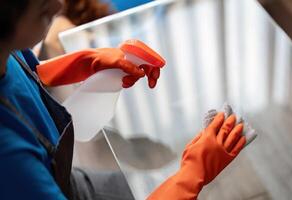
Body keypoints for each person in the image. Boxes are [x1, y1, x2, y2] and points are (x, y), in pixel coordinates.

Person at [0, 0, 247, 200]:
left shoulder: (5, 50)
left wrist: (86, 62)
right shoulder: (11, 159)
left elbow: (29, 72)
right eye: (44, 8)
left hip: (72, 184)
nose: (59, 6)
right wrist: (193, 174)